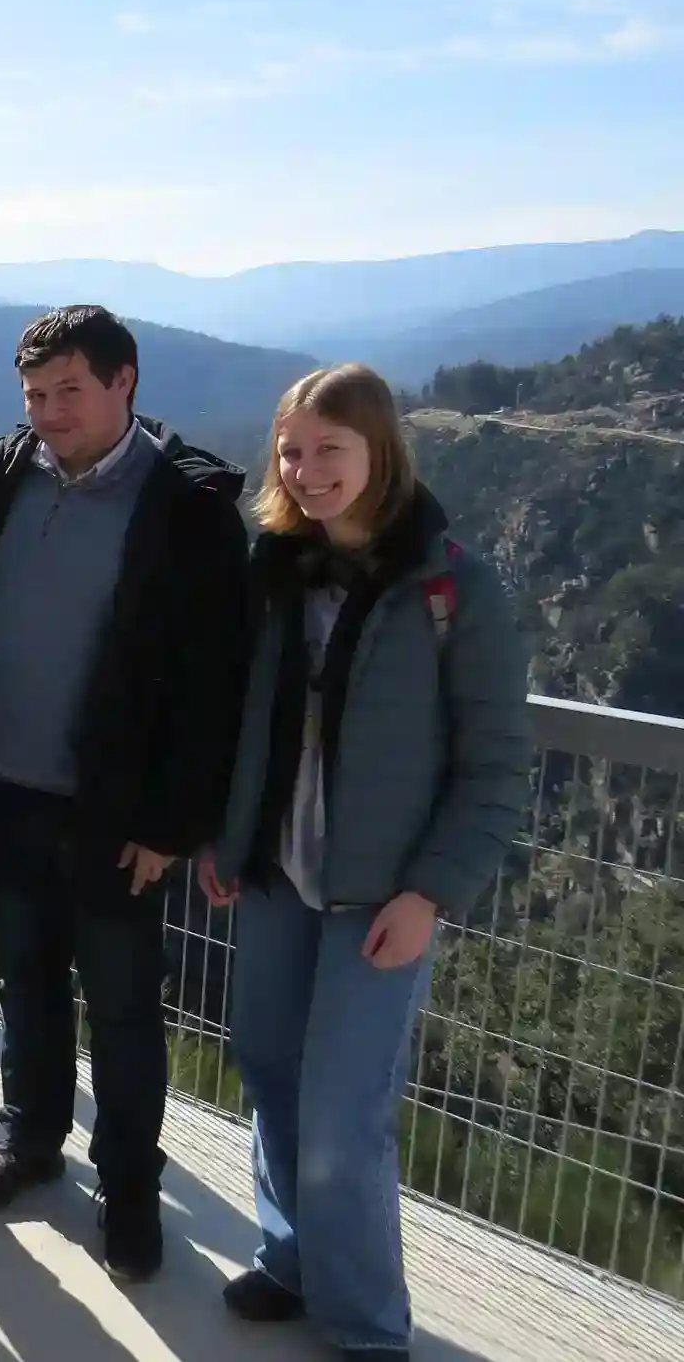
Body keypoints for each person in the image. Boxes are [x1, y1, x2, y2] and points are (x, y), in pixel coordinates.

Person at [200, 364, 528, 1361]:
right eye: (290, 452)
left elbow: (494, 764)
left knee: (343, 1118)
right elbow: (246, 723)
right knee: (266, 1069)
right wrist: (231, 837)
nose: (304, 472)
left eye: (327, 450)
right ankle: (292, 1256)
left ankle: (365, 1329)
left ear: (377, 450)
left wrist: (430, 892)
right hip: (276, 877)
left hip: (377, 896)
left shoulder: (451, 590)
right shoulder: (278, 570)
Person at [0, 304, 250, 1281]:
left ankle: (129, 1187)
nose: (48, 411)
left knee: (120, 1007)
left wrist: (169, 823)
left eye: (68, 389)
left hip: (116, 814)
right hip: (6, 788)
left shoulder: (185, 507)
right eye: (33, 393)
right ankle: (29, 1143)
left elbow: (211, 683)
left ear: (124, 382)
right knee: (23, 981)